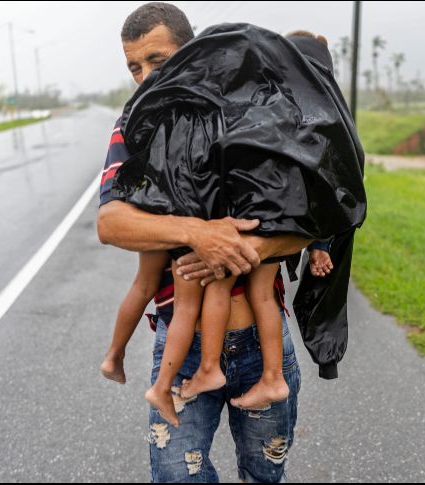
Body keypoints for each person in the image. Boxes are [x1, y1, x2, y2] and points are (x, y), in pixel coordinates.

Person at [97, 3, 309, 482]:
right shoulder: (136, 128)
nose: (145, 75)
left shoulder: (251, 113)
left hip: (261, 343)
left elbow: (309, 218)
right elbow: (111, 222)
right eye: (135, 66)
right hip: (182, 346)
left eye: (157, 59)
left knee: (263, 475)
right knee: (177, 476)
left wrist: (239, 249)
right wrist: (197, 232)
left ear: (192, 52)